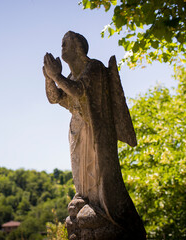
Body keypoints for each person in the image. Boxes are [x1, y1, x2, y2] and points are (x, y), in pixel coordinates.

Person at [43, 31, 145, 239]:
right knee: (81, 175)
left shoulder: (95, 67)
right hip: (78, 130)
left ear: (78, 47)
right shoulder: (70, 76)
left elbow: (79, 91)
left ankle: (102, 210)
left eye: (66, 42)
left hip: (95, 132)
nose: (61, 45)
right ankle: (85, 200)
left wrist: (56, 76)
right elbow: (56, 98)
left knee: (97, 174)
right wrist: (49, 79)